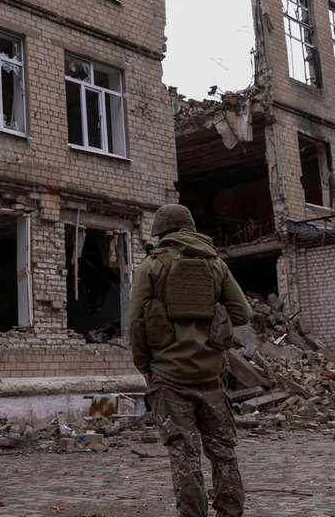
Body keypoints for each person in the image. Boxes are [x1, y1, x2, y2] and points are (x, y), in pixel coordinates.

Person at [129, 204, 252, 517]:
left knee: (184, 456)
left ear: (161, 231)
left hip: (169, 377)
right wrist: (211, 314)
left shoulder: (151, 266)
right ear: (190, 227)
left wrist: (144, 366)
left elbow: (135, 324)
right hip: (211, 375)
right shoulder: (215, 265)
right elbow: (242, 313)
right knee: (224, 453)